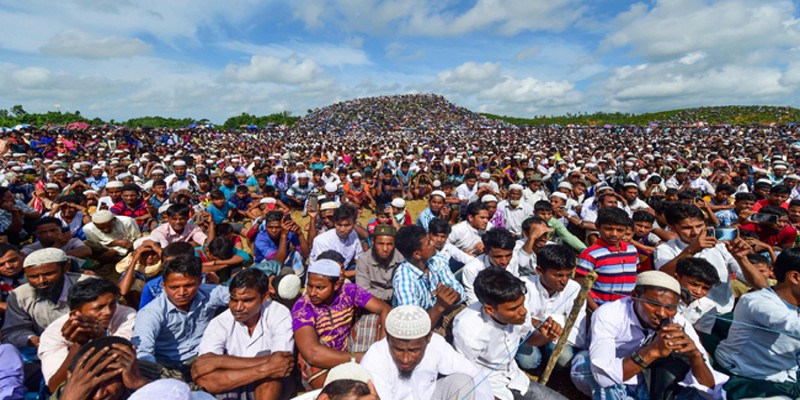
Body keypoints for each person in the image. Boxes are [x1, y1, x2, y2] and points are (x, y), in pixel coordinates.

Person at [570, 271, 726, 400]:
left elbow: (712, 390)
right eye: (654, 304)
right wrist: (652, 351)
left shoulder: (678, 321)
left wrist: (695, 356)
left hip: (646, 379)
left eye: (670, 307)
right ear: (635, 295)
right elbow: (603, 378)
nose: (662, 313)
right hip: (611, 373)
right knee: (587, 364)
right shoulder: (609, 314)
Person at [653, 203, 768, 336]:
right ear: (672, 228)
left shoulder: (721, 247)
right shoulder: (665, 249)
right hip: (685, 316)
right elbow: (662, 277)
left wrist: (742, 258)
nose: (695, 232)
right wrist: (691, 250)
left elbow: (761, 285)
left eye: (699, 226)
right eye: (687, 228)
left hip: (723, 315)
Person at [453, 268, 567, 400]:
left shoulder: (518, 308)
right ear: (490, 310)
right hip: (489, 388)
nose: (523, 311)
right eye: (514, 309)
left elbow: (529, 339)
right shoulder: (468, 328)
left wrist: (546, 337)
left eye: (522, 304)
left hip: (517, 380)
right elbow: (464, 375)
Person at [194, 268, 294, 399]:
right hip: (234, 383)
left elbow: (283, 362)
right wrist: (266, 368)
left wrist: (219, 361)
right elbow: (203, 374)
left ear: (264, 297)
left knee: (270, 379)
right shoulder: (219, 322)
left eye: (247, 301)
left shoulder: (278, 312)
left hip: (268, 386)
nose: (238, 307)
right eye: (233, 300)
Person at [715, 247, 800, 399]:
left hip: (787, 378)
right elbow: (790, 324)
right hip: (746, 378)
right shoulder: (756, 301)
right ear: (795, 277)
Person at [359, 304, 494, 400]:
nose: (405, 359)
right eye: (398, 349)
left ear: (428, 338)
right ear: (388, 338)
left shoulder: (436, 344)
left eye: (414, 350)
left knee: (462, 382)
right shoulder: (375, 359)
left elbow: (473, 374)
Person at [291, 259, 390, 389]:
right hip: (324, 361)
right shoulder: (303, 307)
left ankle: (379, 374)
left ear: (336, 284)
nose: (313, 292)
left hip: (348, 348)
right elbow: (312, 353)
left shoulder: (349, 291)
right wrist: (359, 357)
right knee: (309, 357)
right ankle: (333, 392)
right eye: (310, 286)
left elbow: (384, 309)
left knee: (373, 320)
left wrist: (380, 350)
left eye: (320, 287)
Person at [133, 255, 229, 382]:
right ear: (164, 285)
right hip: (169, 367)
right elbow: (143, 352)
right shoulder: (150, 313)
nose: (182, 292)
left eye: (189, 285)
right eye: (174, 287)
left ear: (200, 281)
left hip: (205, 357)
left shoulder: (210, 293)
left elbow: (240, 298)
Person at [39, 278, 136, 392]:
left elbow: (123, 358)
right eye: (98, 308)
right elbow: (55, 386)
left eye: (112, 304)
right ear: (76, 314)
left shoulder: (125, 314)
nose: (108, 312)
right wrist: (79, 344)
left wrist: (101, 338)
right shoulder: (53, 334)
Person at [2, 248, 91, 348]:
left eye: (48, 274)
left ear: (66, 267)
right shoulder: (19, 296)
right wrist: (34, 340)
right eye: (34, 276)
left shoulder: (89, 286)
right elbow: (13, 331)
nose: (41, 281)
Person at [518, 244, 585, 370]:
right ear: (539, 271)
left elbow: (578, 333)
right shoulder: (524, 286)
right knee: (529, 361)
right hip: (529, 336)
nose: (564, 281)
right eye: (558, 275)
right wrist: (538, 325)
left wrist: (552, 330)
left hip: (557, 337)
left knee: (564, 358)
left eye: (569, 275)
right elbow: (518, 326)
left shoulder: (574, 288)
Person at [574, 207, 639, 311]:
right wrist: (596, 310)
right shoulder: (590, 254)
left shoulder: (632, 250)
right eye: (608, 229)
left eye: (619, 230)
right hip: (601, 307)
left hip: (627, 308)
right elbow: (580, 285)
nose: (614, 234)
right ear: (597, 227)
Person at [53, 336, 150, 400]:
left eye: (109, 380)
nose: (98, 396)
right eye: (91, 385)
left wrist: (140, 384)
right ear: (70, 377)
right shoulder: (64, 394)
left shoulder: (149, 379)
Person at [462, 228, 520, 305]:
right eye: (498, 257)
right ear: (486, 251)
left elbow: (516, 283)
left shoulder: (514, 258)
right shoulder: (471, 270)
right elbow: (474, 301)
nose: (504, 261)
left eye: (508, 255)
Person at [355, 225, 404, 304]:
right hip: (373, 303)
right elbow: (363, 290)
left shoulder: (401, 259)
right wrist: (390, 294)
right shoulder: (364, 260)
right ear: (373, 242)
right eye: (380, 244)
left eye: (389, 244)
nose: (385, 249)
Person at [254, 211, 309, 276]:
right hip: (265, 267)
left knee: (296, 254)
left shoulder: (289, 232)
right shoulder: (261, 238)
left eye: (277, 227)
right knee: (286, 271)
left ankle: (298, 278)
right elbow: (276, 263)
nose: (274, 230)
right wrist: (284, 236)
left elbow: (306, 254)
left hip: (284, 260)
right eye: (270, 227)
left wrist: (300, 234)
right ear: (265, 226)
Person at [309, 204, 363, 269]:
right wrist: (360, 272)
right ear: (335, 222)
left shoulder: (353, 234)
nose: (342, 229)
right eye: (339, 225)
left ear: (354, 223)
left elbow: (360, 259)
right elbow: (327, 272)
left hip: (344, 270)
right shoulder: (322, 241)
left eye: (347, 225)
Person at [0, 244, 26, 326]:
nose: (8, 266)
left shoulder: (38, 272)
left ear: (22, 255)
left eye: (12, 260)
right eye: (1, 264)